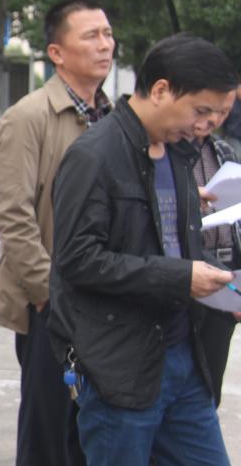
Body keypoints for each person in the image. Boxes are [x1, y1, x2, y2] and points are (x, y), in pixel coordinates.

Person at [49, 34, 238, 466]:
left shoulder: (178, 155)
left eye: (216, 116)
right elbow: (77, 260)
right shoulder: (94, 156)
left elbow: (181, 247)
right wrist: (181, 278)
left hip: (184, 359)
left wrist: (226, 287)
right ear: (161, 90)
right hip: (120, 367)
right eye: (200, 111)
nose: (206, 125)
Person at [0, 0, 114, 466]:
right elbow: (12, 214)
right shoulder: (30, 116)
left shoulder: (111, 116)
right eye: (91, 36)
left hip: (102, 294)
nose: (105, 45)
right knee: (48, 431)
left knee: (89, 428)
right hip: (52, 301)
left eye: (108, 34)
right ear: (56, 52)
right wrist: (47, 293)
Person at [192, 104, 241, 407]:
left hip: (225, 269)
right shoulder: (164, 154)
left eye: (222, 112)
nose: (213, 119)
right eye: (207, 109)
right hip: (188, 273)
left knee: (209, 389)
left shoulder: (223, 151)